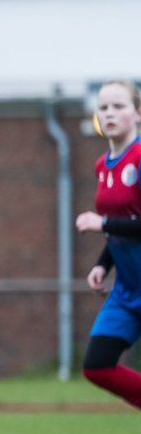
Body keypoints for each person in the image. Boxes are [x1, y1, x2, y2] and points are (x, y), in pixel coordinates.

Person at [75, 78, 141, 409]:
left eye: (119, 106)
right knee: (97, 366)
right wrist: (103, 264)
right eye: (103, 107)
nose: (109, 113)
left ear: (138, 113)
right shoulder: (104, 165)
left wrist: (101, 223)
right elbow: (123, 226)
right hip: (128, 293)